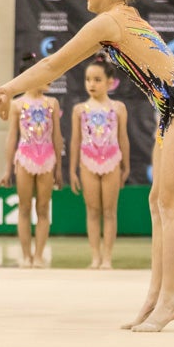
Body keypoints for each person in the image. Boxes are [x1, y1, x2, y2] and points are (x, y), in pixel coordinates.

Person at [0, 0, 174, 332]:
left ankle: (171, 299)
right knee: (158, 202)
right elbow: (56, 65)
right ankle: (155, 297)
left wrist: (8, 89)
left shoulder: (111, 21)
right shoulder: (117, 20)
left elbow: (52, 63)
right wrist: (12, 89)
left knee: (171, 205)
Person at [0, 54, 63, 267]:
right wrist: (7, 169)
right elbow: (11, 138)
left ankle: (38, 255)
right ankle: (26, 255)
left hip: (47, 158)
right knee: (25, 208)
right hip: (25, 157)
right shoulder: (17, 105)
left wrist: (59, 169)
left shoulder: (52, 103)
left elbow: (56, 137)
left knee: (43, 208)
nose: (50, 78)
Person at [69, 55, 130, 269]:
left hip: (112, 160)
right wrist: (73, 170)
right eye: (88, 79)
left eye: (97, 79)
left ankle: (107, 257)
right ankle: (95, 256)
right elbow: (75, 140)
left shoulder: (119, 108)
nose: (91, 84)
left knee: (109, 211)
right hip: (88, 161)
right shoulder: (79, 110)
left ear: (110, 82)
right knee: (93, 210)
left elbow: (123, 137)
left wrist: (126, 166)